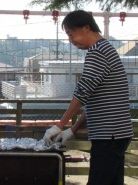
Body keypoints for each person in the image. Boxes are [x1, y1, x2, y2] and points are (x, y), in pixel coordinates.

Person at [42, 10, 134, 185]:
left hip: (110, 135)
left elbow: (82, 92)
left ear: (86, 27)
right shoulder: (105, 48)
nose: (70, 40)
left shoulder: (98, 52)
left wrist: (59, 125)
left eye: (71, 34)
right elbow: (96, 101)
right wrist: (73, 129)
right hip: (115, 134)